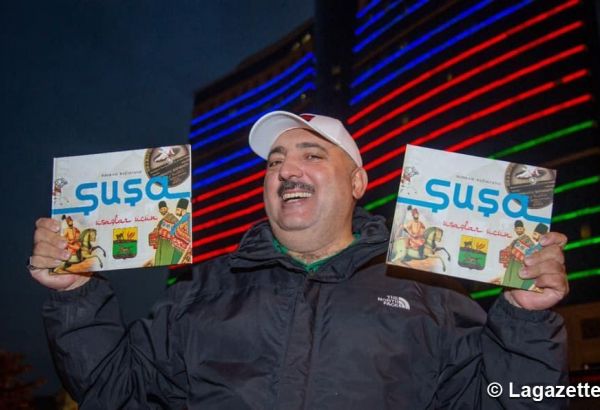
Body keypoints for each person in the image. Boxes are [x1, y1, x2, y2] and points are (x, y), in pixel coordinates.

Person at [29, 111, 569, 409]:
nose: (288, 170)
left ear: (357, 181)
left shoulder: (434, 296)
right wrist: (75, 297)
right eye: (276, 162)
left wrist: (525, 318)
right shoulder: (201, 290)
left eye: (313, 155)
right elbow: (115, 393)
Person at [501, 220, 536, 289]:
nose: (519, 230)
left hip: (520, 264)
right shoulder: (515, 240)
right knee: (508, 279)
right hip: (512, 262)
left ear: (523, 229)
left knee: (516, 281)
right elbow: (510, 249)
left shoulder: (527, 239)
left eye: (520, 229)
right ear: (515, 230)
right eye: (517, 229)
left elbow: (532, 249)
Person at [149, 200, 179, 266]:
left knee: (166, 260)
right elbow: (157, 229)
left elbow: (177, 228)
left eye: (164, 208)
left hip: (169, 244)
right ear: (159, 211)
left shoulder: (173, 218)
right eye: (161, 209)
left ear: (167, 208)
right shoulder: (161, 221)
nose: (163, 210)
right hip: (161, 243)